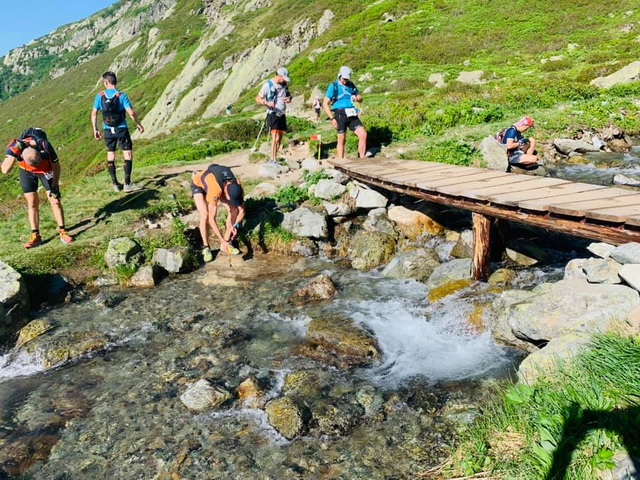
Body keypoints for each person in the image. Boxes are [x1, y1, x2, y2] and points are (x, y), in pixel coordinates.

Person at [1, 128, 73, 248]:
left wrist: (54, 185)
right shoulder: (15, 146)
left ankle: (63, 231)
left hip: (46, 170)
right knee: (32, 202)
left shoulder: (45, 145)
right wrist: (13, 155)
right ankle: (35, 235)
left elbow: (56, 166)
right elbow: (5, 170)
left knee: (55, 200)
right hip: (26, 171)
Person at [91, 71, 145, 192]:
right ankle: (127, 183)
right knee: (127, 154)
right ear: (115, 81)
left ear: (106, 82)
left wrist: (95, 129)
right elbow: (131, 112)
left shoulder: (99, 96)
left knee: (111, 154)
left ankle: (115, 184)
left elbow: (94, 113)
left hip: (107, 129)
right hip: (121, 128)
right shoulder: (121, 95)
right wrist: (138, 124)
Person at [190, 163, 245, 262]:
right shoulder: (215, 190)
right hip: (198, 185)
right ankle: (206, 247)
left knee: (234, 209)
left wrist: (235, 225)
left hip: (219, 183)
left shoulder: (237, 184)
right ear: (225, 192)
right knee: (205, 215)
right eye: (229, 198)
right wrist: (221, 240)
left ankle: (226, 244)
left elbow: (242, 210)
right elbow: (212, 219)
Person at [322, 66, 367, 159]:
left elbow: (360, 97)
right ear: (340, 75)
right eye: (344, 79)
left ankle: (362, 158)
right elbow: (325, 103)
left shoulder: (351, 85)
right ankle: (341, 162)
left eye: (347, 79)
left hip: (352, 113)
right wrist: (332, 118)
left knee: (363, 134)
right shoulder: (333, 86)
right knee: (341, 138)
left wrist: (358, 98)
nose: (345, 81)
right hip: (339, 114)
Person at [255, 67, 292, 164]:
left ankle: (275, 157)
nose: (284, 80)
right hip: (273, 113)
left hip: (282, 113)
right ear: (279, 76)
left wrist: (289, 99)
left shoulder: (284, 85)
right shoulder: (268, 85)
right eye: (284, 78)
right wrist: (266, 102)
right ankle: (272, 160)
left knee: (279, 138)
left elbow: (288, 95)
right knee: (275, 137)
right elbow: (258, 98)